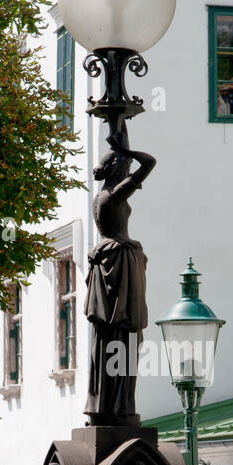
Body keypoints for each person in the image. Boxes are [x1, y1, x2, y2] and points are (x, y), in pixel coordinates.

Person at [84, 128, 156, 423]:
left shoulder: (102, 197)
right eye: (124, 165)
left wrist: (122, 144)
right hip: (119, 269)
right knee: (123, 334)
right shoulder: (112, 196)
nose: (129, 169)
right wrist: (128, 152)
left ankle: (114, 403)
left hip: (118, 265)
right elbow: (150, 163)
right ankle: (119, 404)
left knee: (118, 336)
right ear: (118, 167)